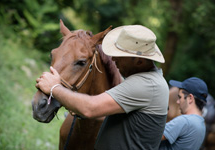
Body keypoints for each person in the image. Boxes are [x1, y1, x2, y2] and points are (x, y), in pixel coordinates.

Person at [36, 25, 169, 150]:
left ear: (139, 61)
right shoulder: (149, 81)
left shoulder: (146, 85)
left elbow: (90, 108)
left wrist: (54, 87)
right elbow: (125, 119)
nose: (113, 59)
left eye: (120, 56)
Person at [159, 77, 208, 150]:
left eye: (180, 97)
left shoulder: (185, 121)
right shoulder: (201, 123)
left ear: (190, 98)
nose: (177, 102)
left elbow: (151, 136)